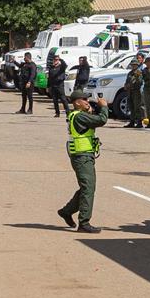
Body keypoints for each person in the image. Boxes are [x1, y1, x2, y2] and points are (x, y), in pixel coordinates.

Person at [56, 92, 108, 233]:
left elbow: (91, 121)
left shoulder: (77, 114)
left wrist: (91, 110)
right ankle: (84, 222)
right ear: (77, 102)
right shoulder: (79, 116)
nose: (87, 101)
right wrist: (104, 107)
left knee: (86, 188)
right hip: (82, 157)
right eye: (84, 99)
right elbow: (101, 120)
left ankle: (66, 211)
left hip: (83, 156)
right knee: (88, 188)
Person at [46, 53, 68, 118]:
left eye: (56, 60)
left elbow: (64, 64)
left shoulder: (61, 67)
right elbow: (49, 78)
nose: (55, 61)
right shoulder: (51, 68)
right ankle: (57, 113)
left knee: (63, 99)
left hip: (60, 85)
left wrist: (60, 59)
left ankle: (68, 112)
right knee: (55, 100)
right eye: (54, 60)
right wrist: (48, 86)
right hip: (53, 86)